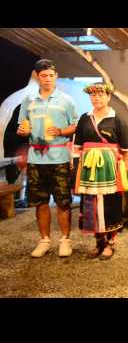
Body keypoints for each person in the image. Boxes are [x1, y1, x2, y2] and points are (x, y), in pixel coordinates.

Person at [17, 59, 79, 258]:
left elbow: (76, 125)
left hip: (60, 157)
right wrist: (22, 130)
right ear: (37, 76)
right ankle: (44, 240)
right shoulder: (28, 100)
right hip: (36, 158)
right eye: (43, 76)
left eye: (51, 75)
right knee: (40, 202)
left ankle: (65, 240)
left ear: (56, 76)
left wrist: (62, 130)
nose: (48, 79)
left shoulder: (66, 100)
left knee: (63, 202)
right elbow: (22, 127)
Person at [74, 82, 128, 260]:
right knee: (91, 204)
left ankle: (111, 243)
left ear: (108, 97)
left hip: (109, 169)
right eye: (93, 95)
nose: (96, 98)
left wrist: (112, 163)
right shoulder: (84, 118)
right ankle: (98, 242)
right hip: (89, 169)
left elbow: (125, 149)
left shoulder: (117, 119)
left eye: (100, 94)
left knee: (110, 204)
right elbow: (78, 146)